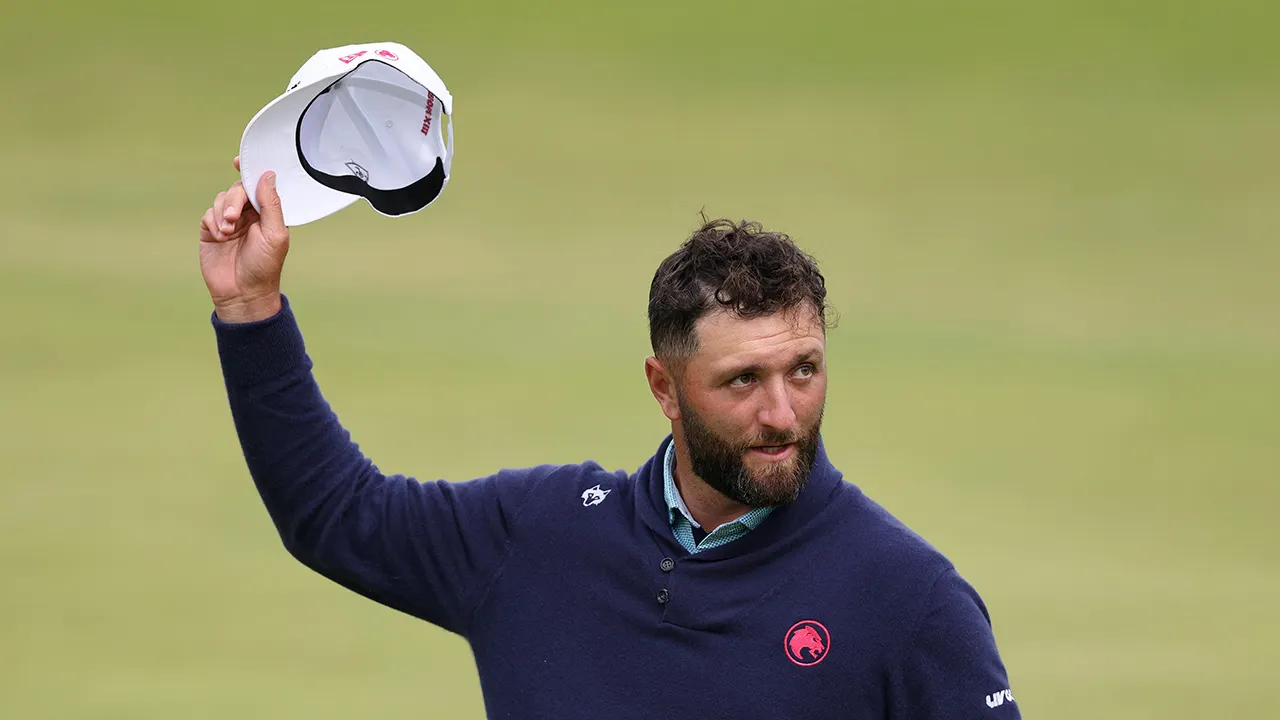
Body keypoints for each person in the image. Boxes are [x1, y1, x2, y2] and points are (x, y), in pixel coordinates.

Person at [198, 158, 1021, 719]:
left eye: (803, 370)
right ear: (665, 389)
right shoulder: (538, 537)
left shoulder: (910, 602)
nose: (782, 414)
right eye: (743, 381)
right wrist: (250, 312)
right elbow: (337, 517)